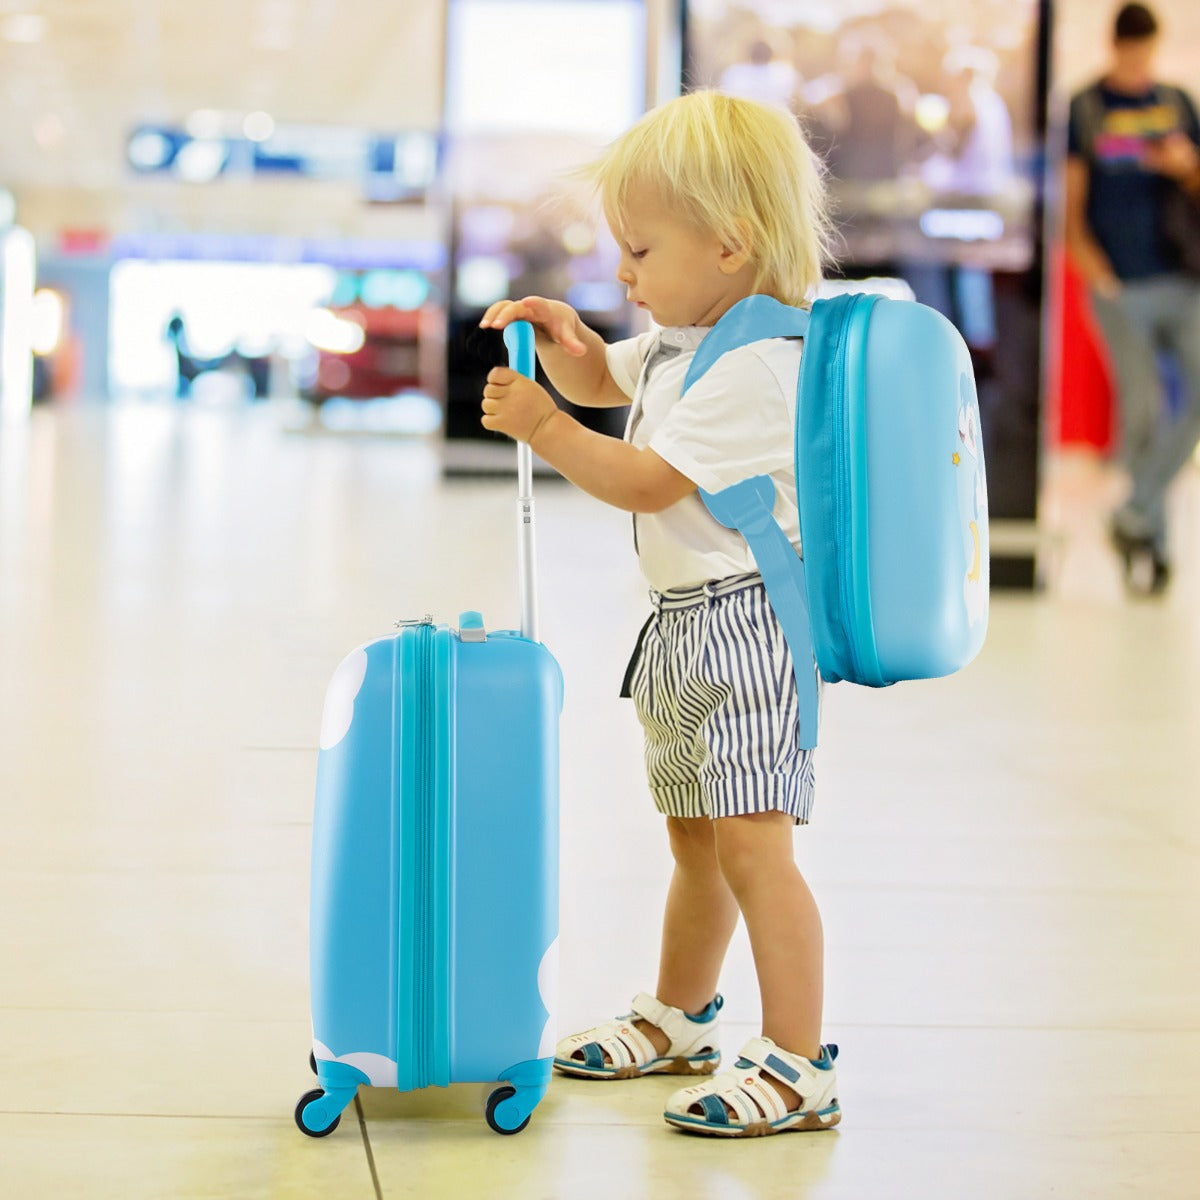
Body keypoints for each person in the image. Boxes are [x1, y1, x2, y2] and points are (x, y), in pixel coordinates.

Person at [478, 90, 840, 1138]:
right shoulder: (689, 341)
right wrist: (565, 345)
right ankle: (684, 1014)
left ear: (730, 247)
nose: (624, 274)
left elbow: (643, 478)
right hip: (682, 626)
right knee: (696, 839)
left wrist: (544, 426)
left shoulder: (763, 366)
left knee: (754, 847)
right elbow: (604, 379)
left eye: (640, 250)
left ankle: (799, 1062)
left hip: (747, 629)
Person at [1065, 2, 1200, 595]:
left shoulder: (1177, 102)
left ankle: (1135, 514)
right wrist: (1094, 269)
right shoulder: (1087, 107)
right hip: (1121, 285)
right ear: (1115, 46)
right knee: (1143, 412)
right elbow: (1071, 200)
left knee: (1190, 406)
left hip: (1182, 278)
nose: (1139, 62)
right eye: (1131, 51)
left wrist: (1186, 167)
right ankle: (1154, 544)